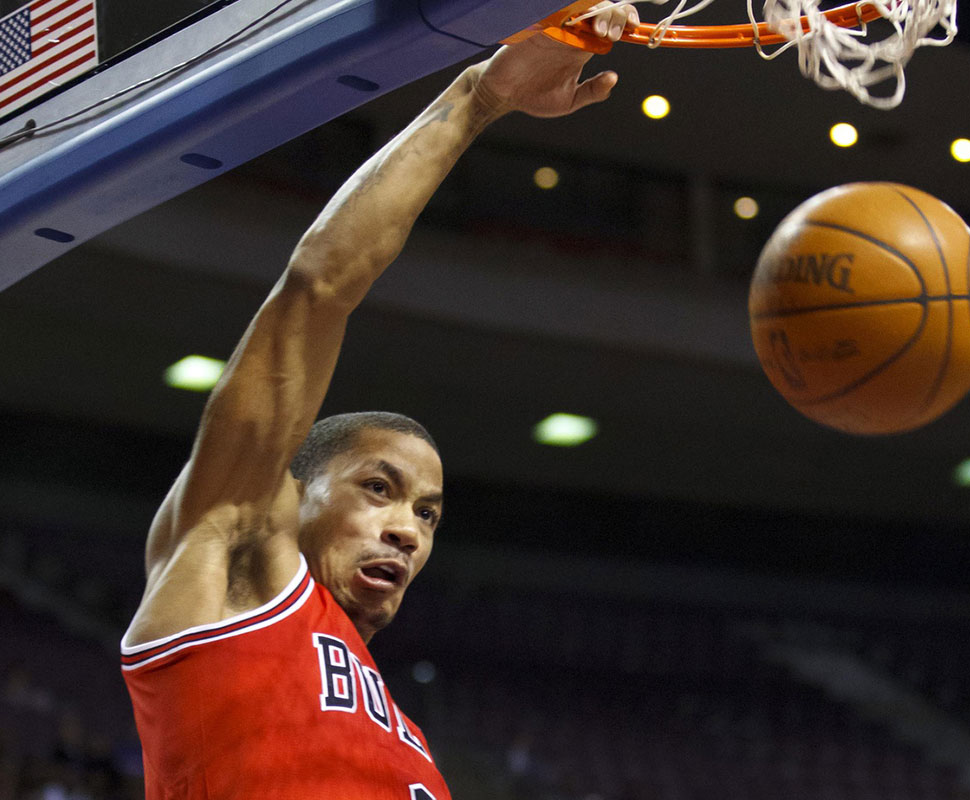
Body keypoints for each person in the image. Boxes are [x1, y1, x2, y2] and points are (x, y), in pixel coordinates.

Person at [119, 5, 639, 798]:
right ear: (292, 493)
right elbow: (319, 286)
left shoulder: (407, 740)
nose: (407, 528)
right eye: (379, 488)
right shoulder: (233, 554)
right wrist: (478, 101)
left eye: (427, 515)